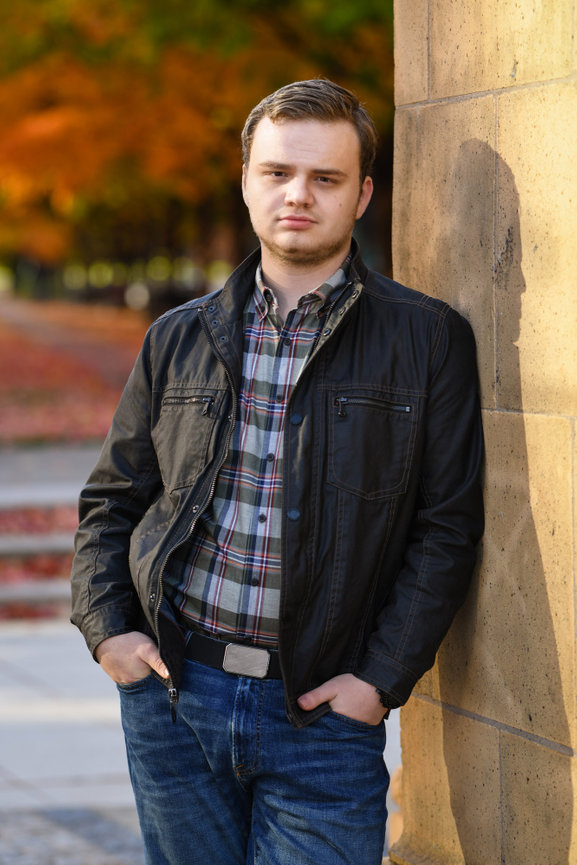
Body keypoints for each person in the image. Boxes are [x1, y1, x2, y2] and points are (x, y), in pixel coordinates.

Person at [71, 79, 484, 865]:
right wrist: (108, 633)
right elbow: (114, 500)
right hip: (173, 702)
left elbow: (446, 527)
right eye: (278, 172)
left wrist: (376, 683)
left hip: (322, 716)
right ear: (246, 181)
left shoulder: (428, 340)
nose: (298, 194)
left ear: (362, 195)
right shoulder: (178, 336)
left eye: (325, 178)